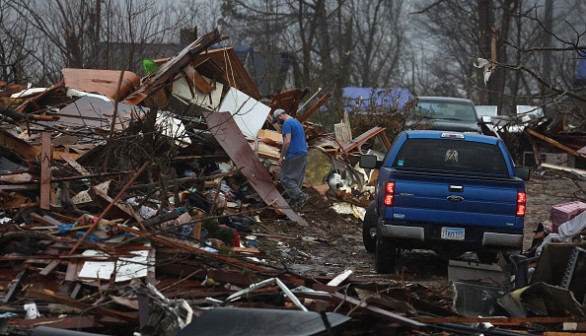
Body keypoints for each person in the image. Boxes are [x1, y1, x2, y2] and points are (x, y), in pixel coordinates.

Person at [272, 108, 309, 210]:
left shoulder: (287, 123)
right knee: (296, 182)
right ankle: (293, 207)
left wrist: (281, 156)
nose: (278, 123)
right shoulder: (297, 123)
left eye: (277, 121)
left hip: (294, 154)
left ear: (280, 116)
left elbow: (287, 141)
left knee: (285, 178)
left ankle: (301, 197)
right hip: (303, 154)